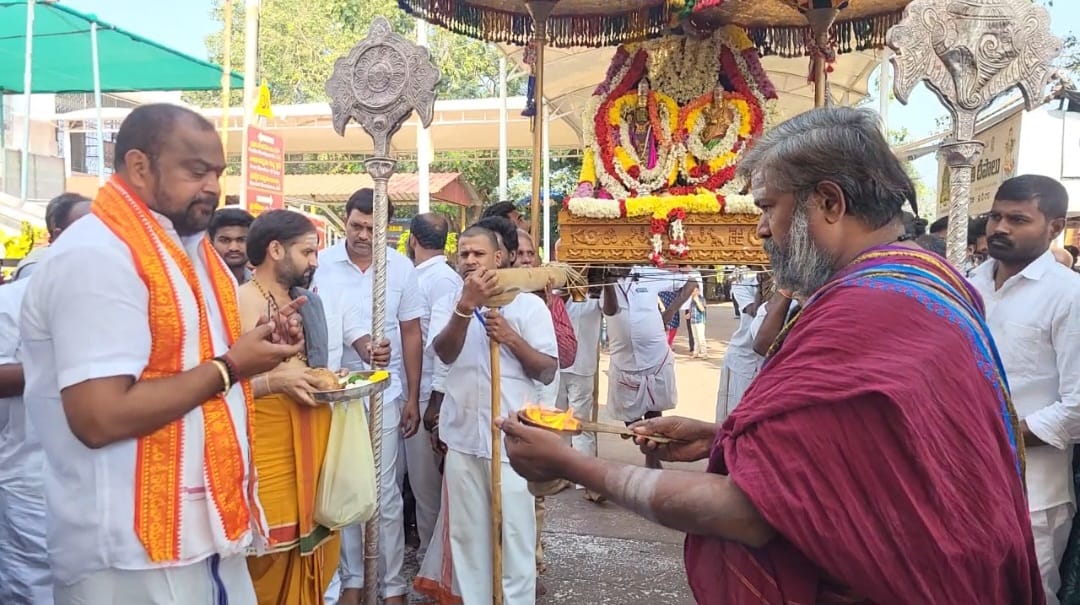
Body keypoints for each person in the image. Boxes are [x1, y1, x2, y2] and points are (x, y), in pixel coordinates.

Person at [496, 107, 1042, 604]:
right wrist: (727, 440)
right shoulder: (922, 275)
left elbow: (749, 511)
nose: (759, 228)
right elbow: (865, 448)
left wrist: (573, 465)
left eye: (768, 207)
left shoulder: (867, 309)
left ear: (829, 202)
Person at [20, 103, 307, 604]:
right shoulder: (97, 255)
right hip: (126, 547)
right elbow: (98, 418)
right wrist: (231, 366)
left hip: (205, 528)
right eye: (195, 171)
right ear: (139, 166)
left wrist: (260, 345)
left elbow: (193, 360)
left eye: (217, 172)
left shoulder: (193, 253)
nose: (212, 187)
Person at [239, 210, 389, 604]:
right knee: (268, 557)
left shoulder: (303, 303)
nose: (314, 261)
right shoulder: (240, 300)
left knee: (319, 551)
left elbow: (303, 368)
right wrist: (276, 382)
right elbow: (220, 385)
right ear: (276, 250)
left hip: (312, 445)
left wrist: (324, 377)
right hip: (267, 455)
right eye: (307, 252)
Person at [428, 222, 558, 605]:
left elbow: (547, 370)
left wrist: (512, 339)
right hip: (464, 439)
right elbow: (445, 353)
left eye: (478, 253)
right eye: (463, 254)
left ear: (499, 258)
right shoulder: (448, 303)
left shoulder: (528, 305)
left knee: (516, 536)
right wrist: (465, 307)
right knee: (468, 540)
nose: (469, 260)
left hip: (512, 442)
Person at [969, 175, 1080, 605]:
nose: (1000, 228)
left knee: (1027, 595)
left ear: (1055, 227)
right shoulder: (968, 284)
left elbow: (1077, 407)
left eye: (1018, 219)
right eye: (995, 216)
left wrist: (996, 436)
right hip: (962, 478)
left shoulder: (1069, 296)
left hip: (1033, 494)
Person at [314, 189, 423, 605]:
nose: (362, 235)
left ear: (387, 228)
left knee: (385, 494)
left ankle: (392, 586)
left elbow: (411, 333)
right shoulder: (321, 264)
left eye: (372, 228)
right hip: (335, 396)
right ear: (344, 220)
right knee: (343, 489)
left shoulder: (401, 268)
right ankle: (352, 581)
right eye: (356, 226)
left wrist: (413, 396)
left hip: (384, 394)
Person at [0, 192, 91, 605]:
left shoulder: (119, 299)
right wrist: (67, 368)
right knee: (33, 589)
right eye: (85, 228)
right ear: (56, 235)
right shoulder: (13, 301)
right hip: (30, 477)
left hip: (98, 482)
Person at [405, 212, 462, 565]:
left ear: (413, 239)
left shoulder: (440, 280)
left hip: (430, 395)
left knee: (429, 488)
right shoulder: (426, 276)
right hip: (421, 391)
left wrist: (434, 403)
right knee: (423, 485)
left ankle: (434, 560)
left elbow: (444, 350)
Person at [601, 265, 695, 468]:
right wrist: (609, 283)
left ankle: (652, 462)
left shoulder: (647, 272)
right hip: (625, 364)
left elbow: (691, 281)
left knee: (654, 415)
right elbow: (611, 310)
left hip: (655, 359)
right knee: (632, 425)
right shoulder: (603, 277)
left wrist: (670, 311)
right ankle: (650, 452)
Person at [209, 206, 255, 284]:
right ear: (211, 243)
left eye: (241, 240)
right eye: (225, 240)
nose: (233, 248)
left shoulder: (260, 285)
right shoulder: (197, 283)